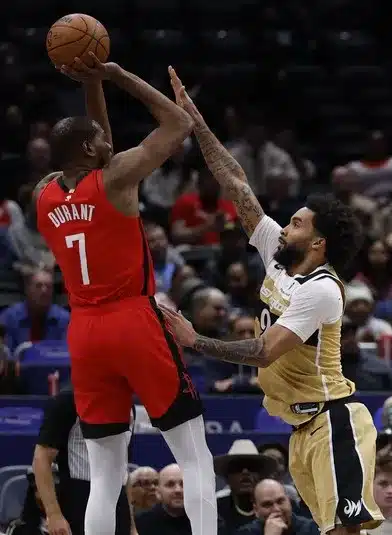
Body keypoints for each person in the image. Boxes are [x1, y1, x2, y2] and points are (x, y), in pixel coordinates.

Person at [160, 69, 382, 535]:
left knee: (346, 532)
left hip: (332, 421)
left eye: (297, 224)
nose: (284, 227)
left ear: (318, 243)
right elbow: (237, 183)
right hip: (301, 430)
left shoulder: (321, 289)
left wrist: (195, 339)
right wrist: (196, 121)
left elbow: (263, 350)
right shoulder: (276, 256)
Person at [34, 54, 216, 535]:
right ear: (93, 151)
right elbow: (179, 123)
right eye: (101, 141)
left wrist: (90, 85)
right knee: (195, 455)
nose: (108, 142)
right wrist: (116, 76)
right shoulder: (117, 178)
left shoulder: (44, 193)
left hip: (85, 331)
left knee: (105, 475)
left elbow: (98, 146)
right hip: (132, 319)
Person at [32, 387, 134, 535]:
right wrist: (54, 514)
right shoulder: (67, 401)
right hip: (78, 497)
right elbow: (41, 458)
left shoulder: (128, 405)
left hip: (119, 500)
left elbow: (124, 468)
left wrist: (132, 525)